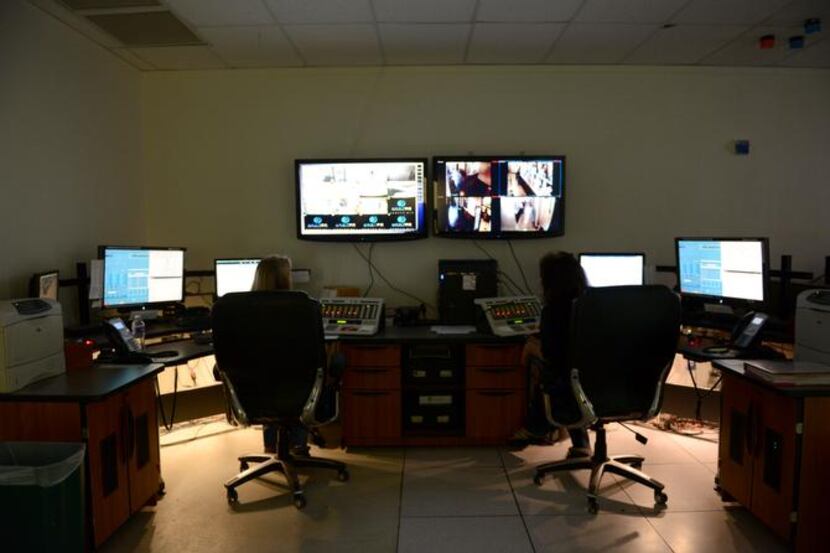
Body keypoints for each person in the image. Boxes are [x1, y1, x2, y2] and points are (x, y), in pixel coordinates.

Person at [515, 251, 591, 458]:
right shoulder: (594, 305)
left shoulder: (553, 312)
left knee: (545, 368)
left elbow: (551, 354)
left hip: (571, 385)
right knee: (574, 373)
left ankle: (536, 426)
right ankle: (581, 443)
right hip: (604, 384)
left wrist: (531, 347)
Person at [250, 255, 311, 456]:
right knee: (300, 377)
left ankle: (271, 445)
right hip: (294, 386)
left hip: (253, 389)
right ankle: (298, 444)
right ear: (285, 279)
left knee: (266, 378)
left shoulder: (239, 309)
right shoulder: (300, 307)